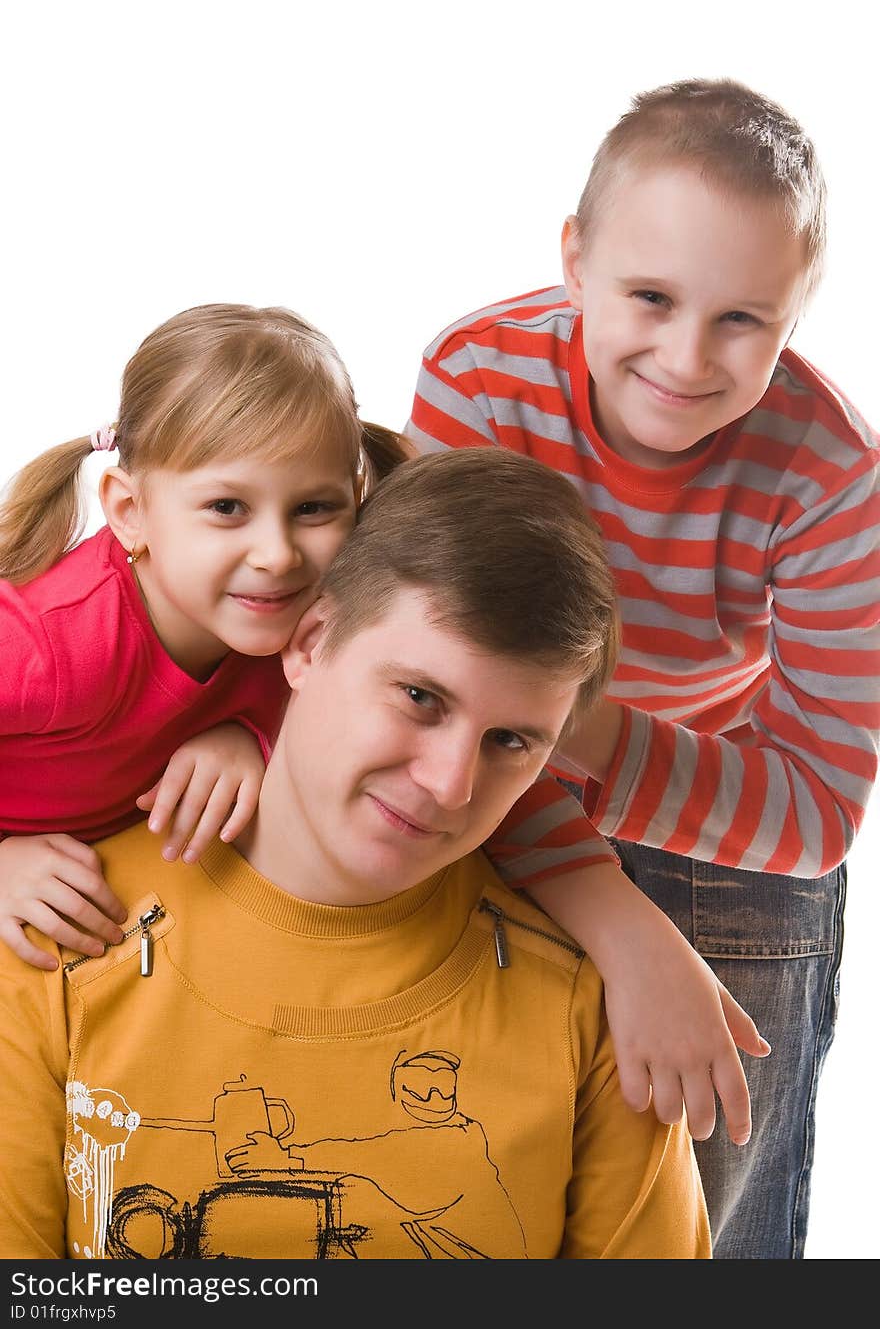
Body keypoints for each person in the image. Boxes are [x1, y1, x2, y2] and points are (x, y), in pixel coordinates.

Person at [0, 448, 710, 1261]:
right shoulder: (52, 943)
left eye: (510, 741)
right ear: (308, 640)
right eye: (419, 697)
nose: (450, 785)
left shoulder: (607, 1014)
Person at [405, 78, 880, 1259]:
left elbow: (817, 808)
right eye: (650, 296)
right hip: (510, 768)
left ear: (796, 317)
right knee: (503, 1169)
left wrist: (590, 734)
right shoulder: (478, 378)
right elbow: (452, 683)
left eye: (742, 321)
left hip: (719, 809)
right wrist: (611, 911)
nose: (684, 356)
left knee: (714, 1209)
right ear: (575, 260)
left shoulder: (831, 472)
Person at [0, 303, 407, 969]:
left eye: (313, 508)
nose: (277, 554)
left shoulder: (311, 617)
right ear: (131, 513)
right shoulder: (48, 646)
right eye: (227, 508)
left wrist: (251, 738)